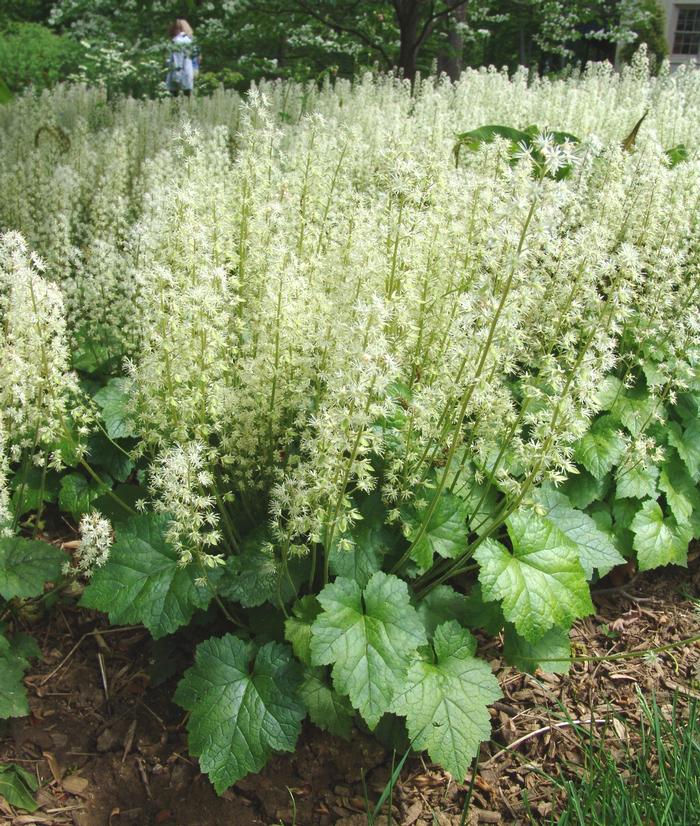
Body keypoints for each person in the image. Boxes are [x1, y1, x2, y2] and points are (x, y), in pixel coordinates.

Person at [166, 19, 200, 97]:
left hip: (179, 78)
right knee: (188, 98)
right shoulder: (190, 41)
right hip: (189, 75)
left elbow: (177, 61)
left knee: (175, 101)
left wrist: (176, 78)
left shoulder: (178, 41)